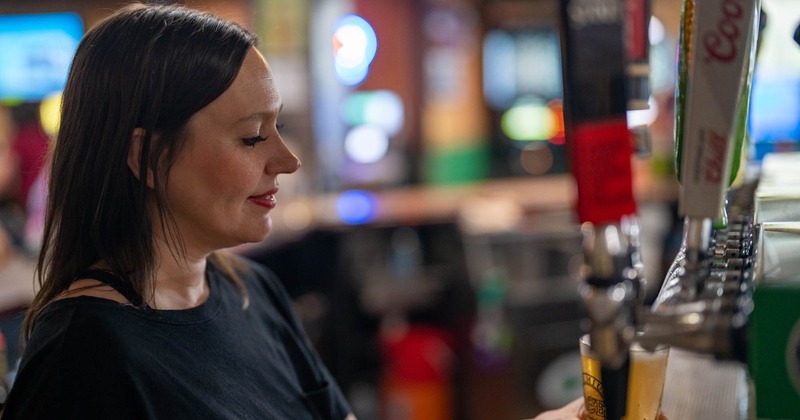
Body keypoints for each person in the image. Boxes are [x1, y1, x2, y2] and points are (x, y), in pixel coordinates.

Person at [0, 3, 355, 419]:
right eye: (253, 137)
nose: (289, 161)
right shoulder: (81, 354)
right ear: (149, 158)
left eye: (277, 128)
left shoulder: (252, 290)